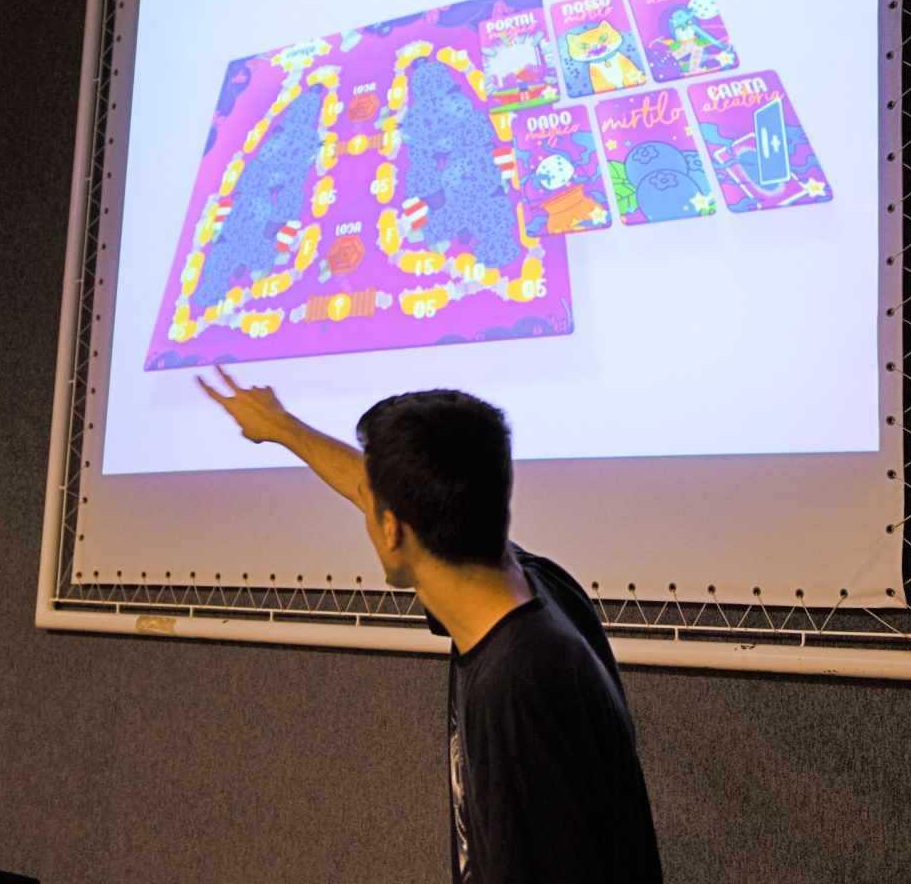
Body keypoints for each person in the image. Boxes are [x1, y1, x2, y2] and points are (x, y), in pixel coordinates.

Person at [197, 366, 663, 884]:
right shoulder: (536, 585)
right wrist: (282, 426)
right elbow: (375, 489)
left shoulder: (515, 691)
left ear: (391, 530)